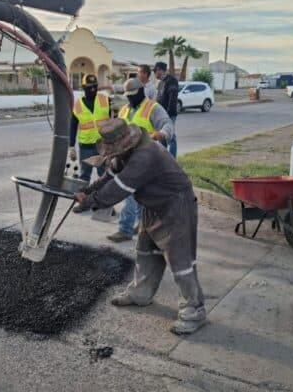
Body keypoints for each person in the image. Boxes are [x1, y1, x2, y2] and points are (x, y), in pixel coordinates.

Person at [74, 118, 206, 335]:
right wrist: (86, 191)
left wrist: (90, 201)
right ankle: (141, 293)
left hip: (176, 205)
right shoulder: (124, 154)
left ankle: (194, 310)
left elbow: (118, 188)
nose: (110, 154)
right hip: (154, 205)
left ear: (125, 143)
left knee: (180, 261)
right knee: (146, 252)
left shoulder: (145, 156)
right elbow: (109, 177)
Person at [107, 77, 174, 243]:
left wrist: (162, 133)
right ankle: (143, 226)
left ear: (142, 91)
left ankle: (125, 229)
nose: (130, 98)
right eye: (127, 95)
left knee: (130, 194)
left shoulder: (153, 108)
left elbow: (167, 124)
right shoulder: (124, 110)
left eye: (132, 94)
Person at [69, 74, 111, 213]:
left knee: (104, 176)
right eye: (89, 87)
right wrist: (71, 147)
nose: (93, 89)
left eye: (95, 87)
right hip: (86, 146)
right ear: (84, 88)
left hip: (103, 146)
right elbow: (73, 126)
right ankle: (84, 203)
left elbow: (117, 119)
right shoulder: (78, 106)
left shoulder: (105, 100)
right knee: (84, 177)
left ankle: (104, 205)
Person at [154, 61, 180, 157]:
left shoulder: (171, 80)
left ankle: (173, 160)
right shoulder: (161, 82)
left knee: (171, 137)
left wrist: (168, 115)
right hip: (161, 115)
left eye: (155, 71)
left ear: (160, 70)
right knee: (161, 137)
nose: (154, 73)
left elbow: (173, 99)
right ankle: (163, 159)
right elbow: (158, 98)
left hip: (169, 114)